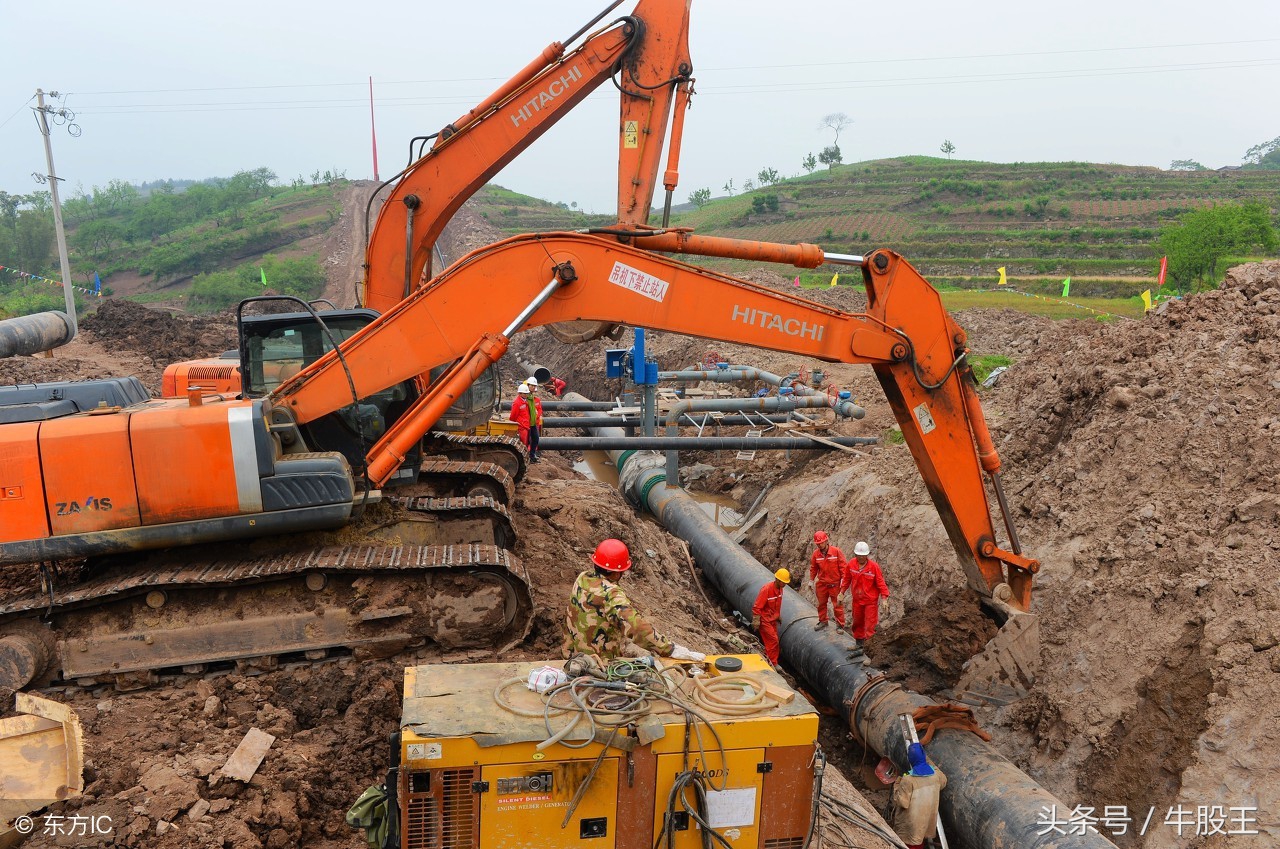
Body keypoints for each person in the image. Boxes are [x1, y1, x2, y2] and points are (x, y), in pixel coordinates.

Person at [564, 538, 705, 664]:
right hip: (598, 663)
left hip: (572, 657)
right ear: (618, 572)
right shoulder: (611, 594)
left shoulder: (582, 578)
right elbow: (636, 627)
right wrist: (670, 649)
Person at [891, 742, 947, 849]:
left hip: (911, 824)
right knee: (920, 840)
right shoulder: (936, 775)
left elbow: (903, 802)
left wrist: (898, 783)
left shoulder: (908, 780)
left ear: (910, 759)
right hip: (926, 820)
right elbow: (943, 782)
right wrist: (931, 764)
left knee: (910, 844)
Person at [840, 540, 889, 658]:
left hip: (870, 602)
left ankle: (869, 653)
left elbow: (880, 583)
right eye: (859, 556)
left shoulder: (874, 567)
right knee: (857, 623)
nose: (861, 558)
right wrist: (841, 592)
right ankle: (859, 644)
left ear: (867, 555)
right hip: (857, 600)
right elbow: (846, 579)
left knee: (870, 627)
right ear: (855, 555)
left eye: (863, 556)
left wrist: (884, 598)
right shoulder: (851, 564)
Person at [808, 530, 847, 631]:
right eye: (818, 544)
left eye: (821, 543)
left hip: (835, 584)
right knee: (821, 604)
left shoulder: (836, 552)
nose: (820, 545)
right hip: (822, 584)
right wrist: (811, 581)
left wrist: (843, 581)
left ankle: (840, 625)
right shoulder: (816, 554)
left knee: (837, 605)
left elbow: (843, 567)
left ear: (826, 541)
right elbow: (813, 568)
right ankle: (823, 621)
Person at [751, 569, 789, 667]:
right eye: (783, 582)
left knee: (774, 642)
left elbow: (776, 604)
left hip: (772, 619)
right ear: (777, 580)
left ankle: (771, 660)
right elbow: (757, 606)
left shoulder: (780, 589)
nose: (785, 584)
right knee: (773, 640)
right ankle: (772, 663)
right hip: (764, 620)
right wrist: (756, 620)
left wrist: (777, 615)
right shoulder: (766, 589)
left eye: (785, 582)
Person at [509, 381, 543, 462]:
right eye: (525, 393)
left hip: (527, 425)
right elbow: (513, 416)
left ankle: (528, 457)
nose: (526, 394)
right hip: (522, 427)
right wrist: (519, 423)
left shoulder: (527, 401)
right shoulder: (517, 403)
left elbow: (535, 410)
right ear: (520, 393)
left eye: (526, 393)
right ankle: (523, 460)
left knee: (530, 441)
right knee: (523, 443)